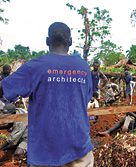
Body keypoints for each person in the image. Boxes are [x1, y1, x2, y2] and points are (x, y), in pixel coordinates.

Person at [0, 22, 94, 166]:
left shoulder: (35, 66)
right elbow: (85, 99)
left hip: (45, 153)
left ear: (47, 41)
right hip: (79, 150)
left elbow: (4, 89)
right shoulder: (84, 68)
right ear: (70, 42)